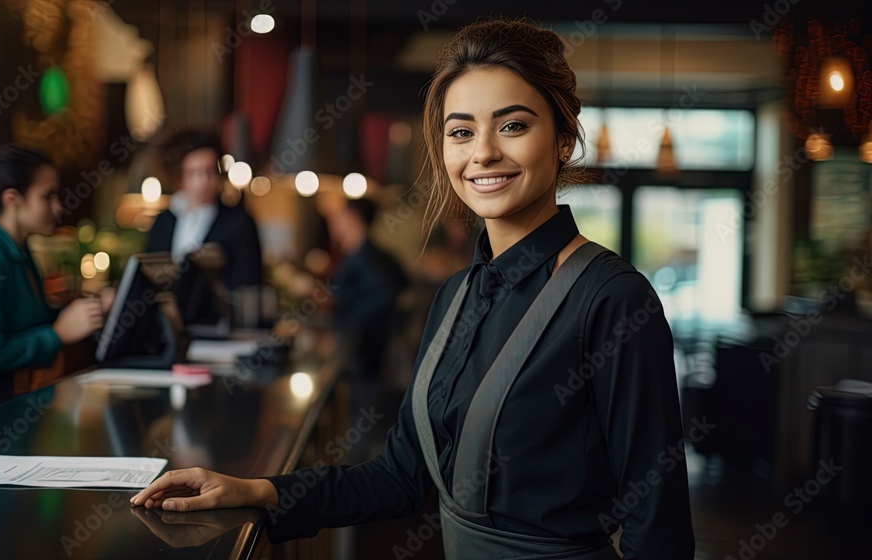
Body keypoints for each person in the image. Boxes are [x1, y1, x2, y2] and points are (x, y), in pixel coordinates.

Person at [132, 19, 695, 559]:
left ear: (565, 139)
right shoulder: (454, 297)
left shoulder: (614, 298)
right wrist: (255, 491)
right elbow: (402, 477)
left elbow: (659, 527)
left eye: (514, 125)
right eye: (461, 132)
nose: (483, 153)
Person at [0, 144, 104, 423]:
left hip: (7, 407)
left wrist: (92, 308)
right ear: (12, 199)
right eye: (47, 195)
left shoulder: (20, 251)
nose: (59, 206)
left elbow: (24, 324)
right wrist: (58, 334)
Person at [145, 127, 262, 327]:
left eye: (209, 171)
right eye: (193, 173)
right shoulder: (164, 221)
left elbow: (248, 287)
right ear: (178, 175)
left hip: (219, 331)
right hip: (167, 330)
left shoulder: (238, 223)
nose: (204, 182)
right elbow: (148, 279)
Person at [325, 197, 409, 380]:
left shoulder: (369, 257)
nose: (333, 221)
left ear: (354, 218)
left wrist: (348, 313)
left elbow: (388, 292)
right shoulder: (357, 254)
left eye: (340, 215)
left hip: (365, 351)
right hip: (357, 347)